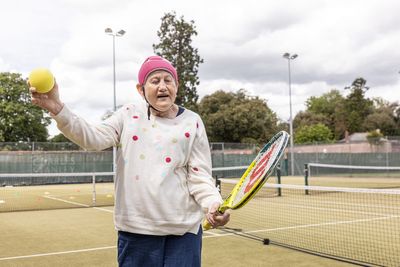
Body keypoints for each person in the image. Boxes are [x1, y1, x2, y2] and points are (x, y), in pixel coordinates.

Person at [30, 55, 230, 267]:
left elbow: (200, 176)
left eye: (167, 80)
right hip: (136, 232)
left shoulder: (193, 121)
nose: (162, 86)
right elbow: (93, 138)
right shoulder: (128, 115)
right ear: (140, 89)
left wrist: (212, 203)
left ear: (176, 86)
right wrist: (57, 108)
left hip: (184, 233)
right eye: (154, 81)